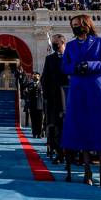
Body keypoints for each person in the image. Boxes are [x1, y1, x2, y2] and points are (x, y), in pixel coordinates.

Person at [61, 14, 101, 188]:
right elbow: (64, 66)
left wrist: (90, 65)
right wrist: (75, 67)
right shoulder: (71, 45)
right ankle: (87, 169)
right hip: (78, 88)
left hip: (98, 88)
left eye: (77, 24)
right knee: (83, 127)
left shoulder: (99, 41)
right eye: (72, 24)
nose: (74, 27)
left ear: (86, 24)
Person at [41, 34, 70, 163]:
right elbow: (44, 79)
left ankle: (73, 152)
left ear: (63, 44)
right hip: (55, 98)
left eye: (56, 43)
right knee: (57, 127)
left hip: (70, 96)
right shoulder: (50, 59)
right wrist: (47, 96)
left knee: (71, 125)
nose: (54, 45)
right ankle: (60, 153)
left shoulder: (71, 57)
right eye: (53, 43)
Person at [27, 74, 44, 138]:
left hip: (40, 105)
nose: (36, 78)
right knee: (33, 120)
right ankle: (34, 133)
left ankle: (39, 133)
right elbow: (28, 95)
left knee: (40, 120)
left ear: (39, 78)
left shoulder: (42, 85)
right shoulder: (30, 85)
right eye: (34, 77)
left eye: (37, 77)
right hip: (32, 105)